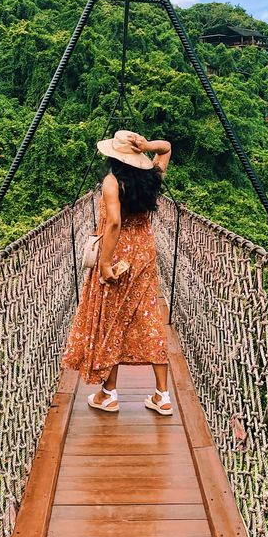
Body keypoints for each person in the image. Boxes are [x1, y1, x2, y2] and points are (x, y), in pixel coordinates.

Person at [61, 130, 173, 415]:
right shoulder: (151, 178)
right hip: (145, 253)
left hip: (119, 253)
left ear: (113, 156)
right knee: (147, 315)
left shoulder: (112, 182)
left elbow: (113, 223)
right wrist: (148, 146)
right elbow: (167, 148)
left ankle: (108, 395)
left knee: (111, 318)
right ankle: (162, 395)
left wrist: (105, 263)